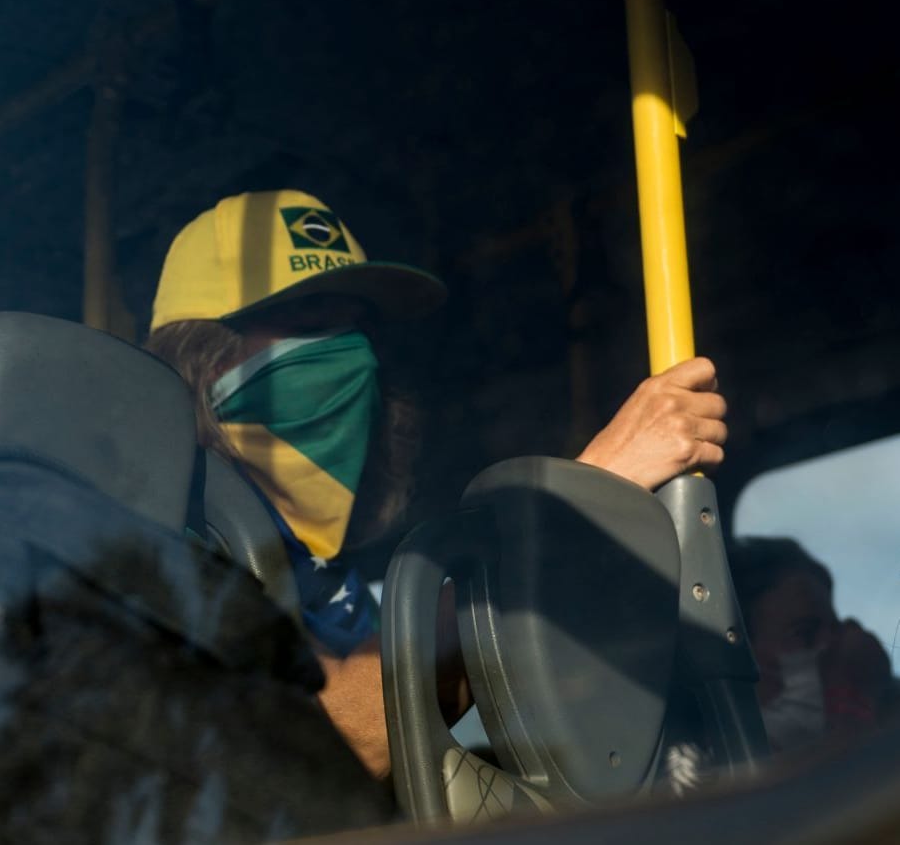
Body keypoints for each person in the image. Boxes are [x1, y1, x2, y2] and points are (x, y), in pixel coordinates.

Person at [145, 189, 731, 776]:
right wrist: (581, 499)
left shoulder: (326, 585)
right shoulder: (165, 541)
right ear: (208, 358)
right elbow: (310, 747)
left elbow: (431, 734)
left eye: (357, 327)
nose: (353, 356)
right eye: (312, 321)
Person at [729, 535, 898, 756]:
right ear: (740, 655)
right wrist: (851, 704)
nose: (832, 646)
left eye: (835, 629)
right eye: (805, 633)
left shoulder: (886, 706)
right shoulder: (711, 762)